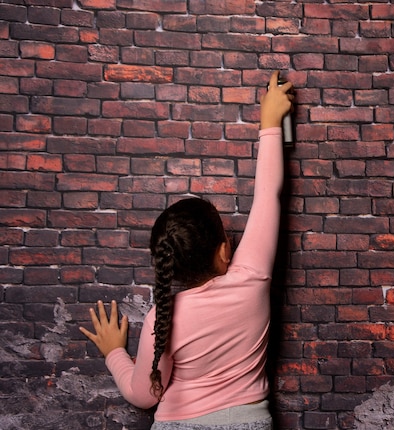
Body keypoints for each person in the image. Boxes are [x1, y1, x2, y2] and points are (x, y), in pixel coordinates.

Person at [80, 71, 294, 430]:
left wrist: (115, 352)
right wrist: (270, 121)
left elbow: (145, 395)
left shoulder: (161, 318)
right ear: (225, 251)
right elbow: (267, 195)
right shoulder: (251, 279)